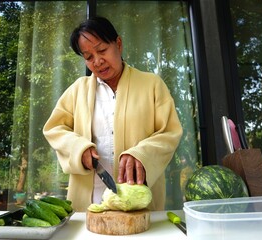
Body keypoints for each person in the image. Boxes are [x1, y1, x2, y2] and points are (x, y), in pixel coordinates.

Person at [43, 16, 182, 211]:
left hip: (138, 204)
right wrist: (78, 149)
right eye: (89, 57)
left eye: (101, 50)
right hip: (88, 204)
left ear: (118, 44)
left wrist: (142, 154)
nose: (98, 61)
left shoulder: (152, 85)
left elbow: (169, 132)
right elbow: (54, 128)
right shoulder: (77, 90)